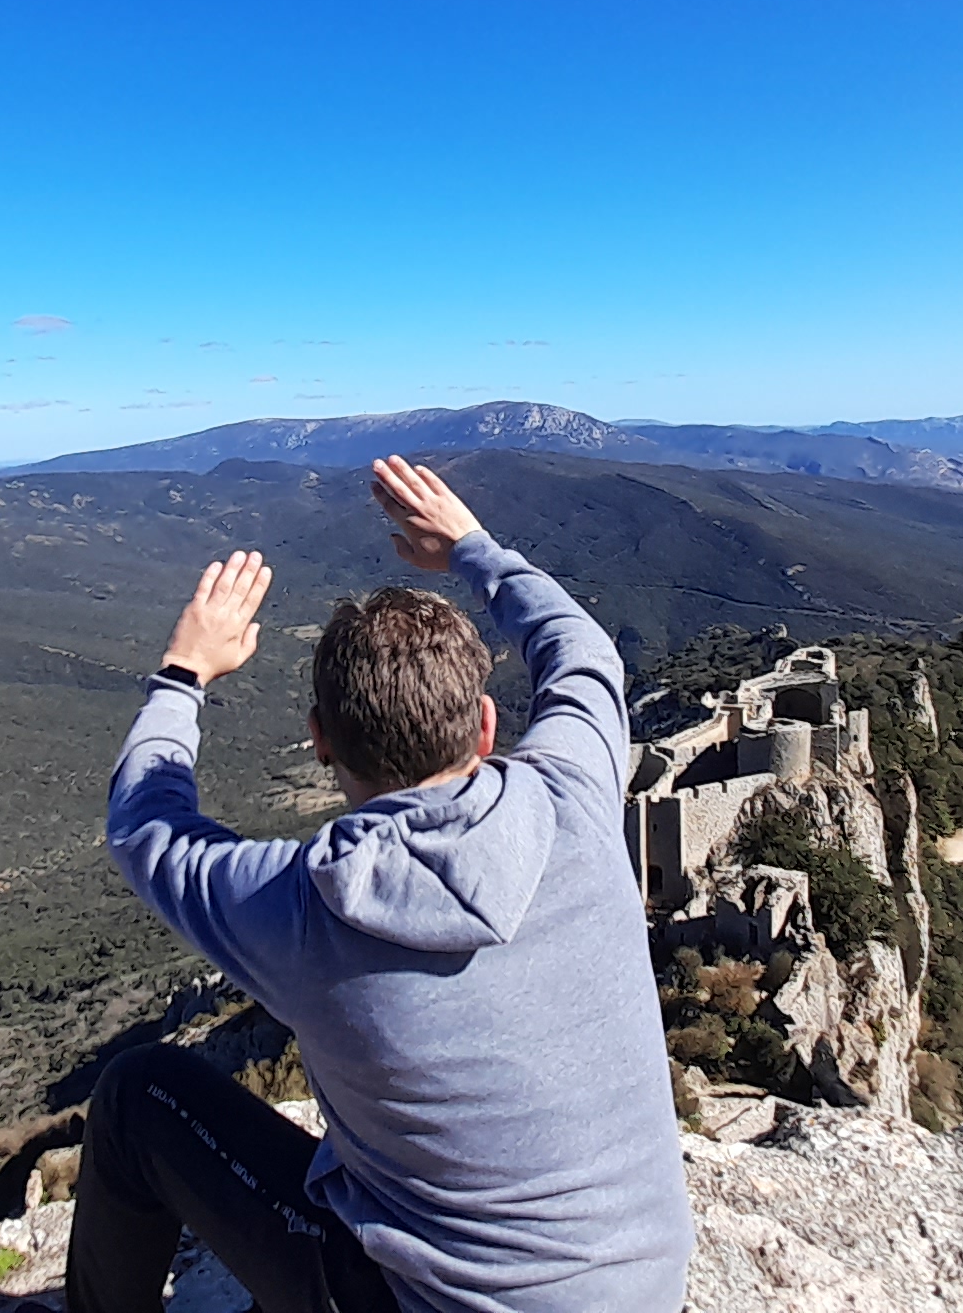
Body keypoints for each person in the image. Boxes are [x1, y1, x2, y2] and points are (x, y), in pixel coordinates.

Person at [80, 456, 690, 1313]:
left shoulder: (304, 909)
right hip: (646, 1290)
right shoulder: (577, 798)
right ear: (487, 725)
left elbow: (145, 826)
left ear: (320, 739)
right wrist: (471, 546)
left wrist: (183, 672)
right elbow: (581, 650)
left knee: (138, 1095)